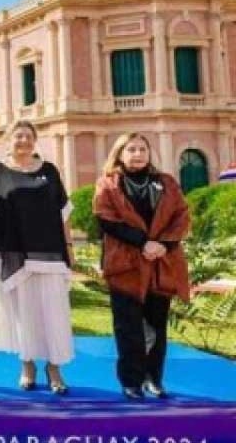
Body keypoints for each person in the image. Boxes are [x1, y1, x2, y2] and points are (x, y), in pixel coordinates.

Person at [93, 132, 190, 399]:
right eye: (131, 149)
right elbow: (105, 219)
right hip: (125, 267)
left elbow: (181, 216)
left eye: (142, 149)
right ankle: (131, 381)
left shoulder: (167, 183)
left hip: (161, 265)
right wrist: (142, 243)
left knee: (157, 327)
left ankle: (154, 379)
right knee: (129, 328)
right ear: (120, 154)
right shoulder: (108, 185)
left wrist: (163, 244)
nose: (138, 154)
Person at [0, 119, 74, 394]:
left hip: (50, 252)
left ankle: (55, 368)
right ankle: (28, 365)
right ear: (8, 140)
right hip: (14, 252)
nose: (23, 140)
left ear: (35, 140)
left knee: (54, 313)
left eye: (27, 136)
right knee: (25, 313)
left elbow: (63, 211)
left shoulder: (49, 171)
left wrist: (69, 245)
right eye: (17, 136)